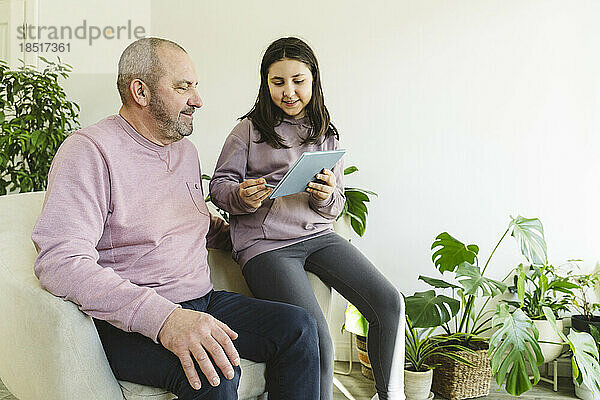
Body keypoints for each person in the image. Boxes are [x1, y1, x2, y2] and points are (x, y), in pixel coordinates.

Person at [31, 37, 320, 400]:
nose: (198, 100)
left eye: (195, 87)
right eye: (183, 87)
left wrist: (260, 237)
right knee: (213, 370)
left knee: (298, 327)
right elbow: (60, 260)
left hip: (201, 299)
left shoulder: (184, 151)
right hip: (127, 321)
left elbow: (197, 223)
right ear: (141, 91)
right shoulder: (88, 151)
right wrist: (164, 319)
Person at [209, 37, 405, 400]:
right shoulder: (247, 131)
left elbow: (336, 206)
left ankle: (390, 394)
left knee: (389, 302)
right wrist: (240, 196)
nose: (289, 92)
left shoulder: (326, 132)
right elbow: (219, 186)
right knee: (317, 336)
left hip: (318, 235)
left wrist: (326, 195)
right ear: (265, 84)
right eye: (278, 82)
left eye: (298, 81)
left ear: (314, 80)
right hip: (266, 247)